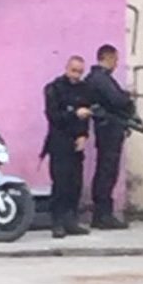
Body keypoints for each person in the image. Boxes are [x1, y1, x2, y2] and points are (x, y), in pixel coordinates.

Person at [85, 44, 136, 230]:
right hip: (109, 129)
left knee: (105, 170)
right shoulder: (101, 79)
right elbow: (118, 100)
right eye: (115, 59)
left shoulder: (97, 78)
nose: (116, 63)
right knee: (107, 171)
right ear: (107, 58)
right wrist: (128, 98)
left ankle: (101, 214)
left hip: (107, 128)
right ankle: (103, 215)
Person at [42, 55, 93, 238]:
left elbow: (86, 115)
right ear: (66, 68)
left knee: (75, 183)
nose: (76, 75)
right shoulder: (54, 88)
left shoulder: (84, 89)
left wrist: (83, 135)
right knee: (60, 183)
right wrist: (74, 114)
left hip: (76, 143)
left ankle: (71, 221)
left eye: (80, 72)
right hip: (59, 142)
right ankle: (57, 222)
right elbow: (54, 116)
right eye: (74, 70)